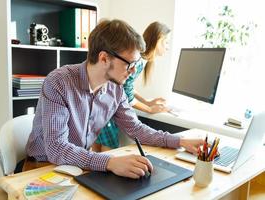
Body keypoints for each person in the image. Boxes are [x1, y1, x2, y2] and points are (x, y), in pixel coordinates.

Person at [26, 19, 203, 179]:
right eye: (130, 64)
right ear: (104, 58)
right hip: (41, 166)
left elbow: (136, 129)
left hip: (78, 165)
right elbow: (57, 149)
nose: (133, 71)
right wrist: (109, 162)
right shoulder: (59, 82)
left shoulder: (116, 89)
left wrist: (180, 141)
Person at [94, 22, 172, 151]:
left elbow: (127, 86)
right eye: (166, 42)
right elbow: (127, 94)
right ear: (158, 39)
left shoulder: (140, 60)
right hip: (109, 107)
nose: (168, 47)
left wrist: (146, 101)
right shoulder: (139, 61)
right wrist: (149, 109)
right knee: (109, 150)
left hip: (101, 103)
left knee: (96, 148)